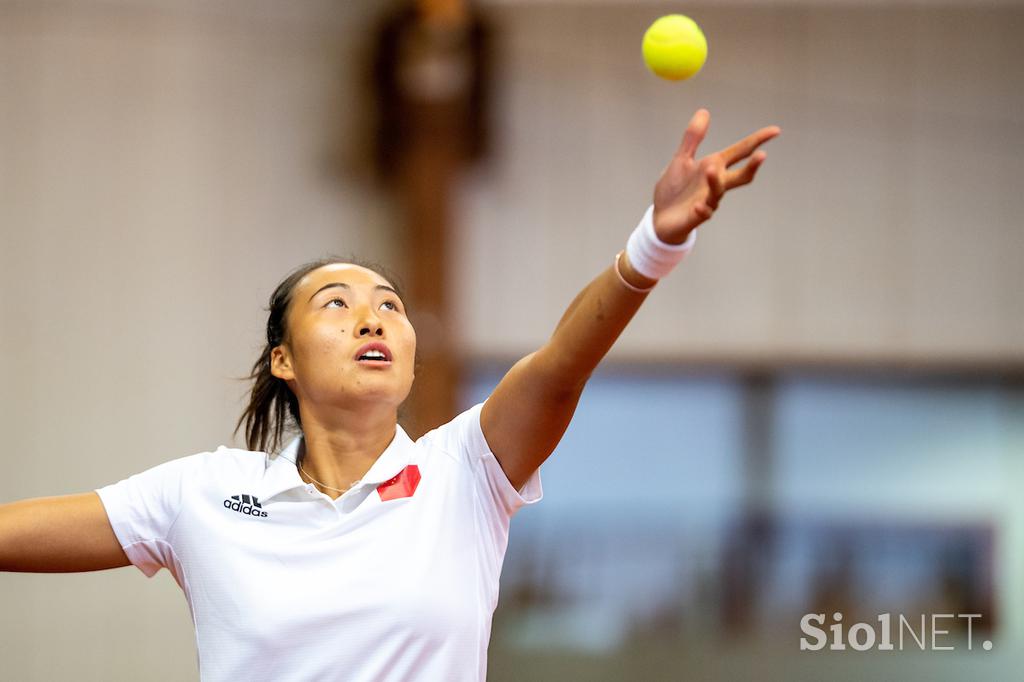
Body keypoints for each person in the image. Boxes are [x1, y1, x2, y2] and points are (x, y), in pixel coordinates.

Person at [0, 108, 779, 681]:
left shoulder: (467, 473)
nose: (371, 314)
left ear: (408, 354)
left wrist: (655, 242)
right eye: (334, 303)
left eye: (390, 305)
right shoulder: (201, 493)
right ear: (283, 360)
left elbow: (562, 365)